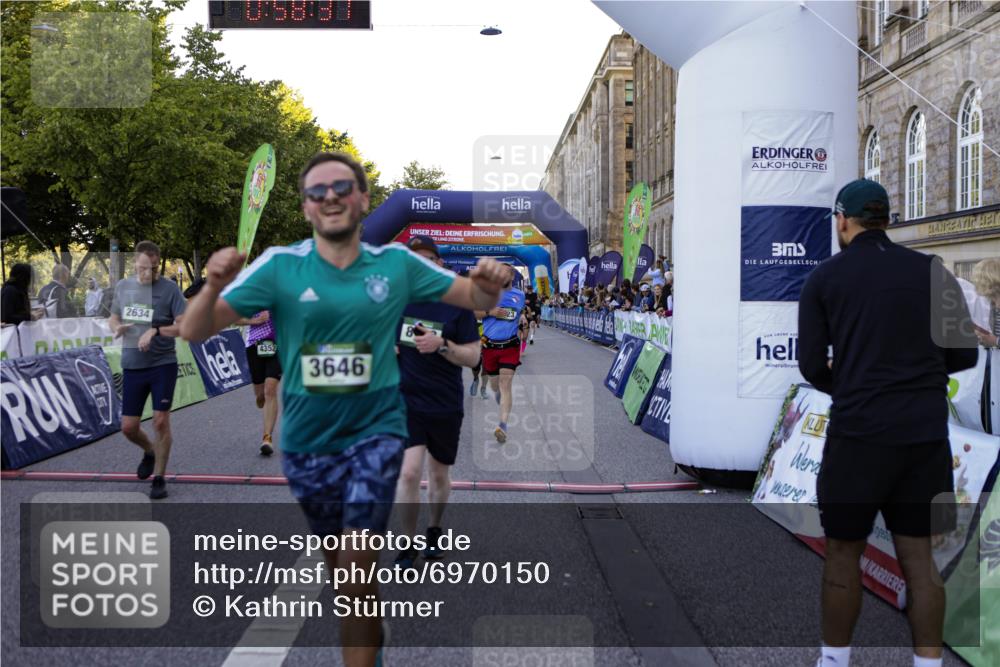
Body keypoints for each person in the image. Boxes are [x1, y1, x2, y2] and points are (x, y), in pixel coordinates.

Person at [179, 152, 507, 667]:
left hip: (377, 432)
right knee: (346, 575)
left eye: (341, 187)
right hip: (308, 445)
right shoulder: (280, 266)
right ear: (307, 207)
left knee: (355, 564)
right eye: (316, 191)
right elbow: (196, 329)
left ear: (363, 200)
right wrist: (214, 285)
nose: (329, 197)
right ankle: (371, 637)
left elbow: (474, 298)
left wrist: (490, 280)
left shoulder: (396, 265)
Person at [797, 179, 978, 667]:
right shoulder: (933, 272)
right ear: (887, 220)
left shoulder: (824, 279)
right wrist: (913, 375)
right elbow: (963, 353)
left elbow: (811, 365)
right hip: (923, 438)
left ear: (843, 220)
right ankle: (927, 664)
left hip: (858, 436)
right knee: (920, 561)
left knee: (842, 555)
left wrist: (857, 380)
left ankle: (834, 662)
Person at [393, 235, 481, 569]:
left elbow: (473, 357)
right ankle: (407, 543)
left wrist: (443, 345)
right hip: (406, 401)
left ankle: (433, 529)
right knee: (409, 472)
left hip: (444, 402)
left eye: (430, 258)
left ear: (439, 263)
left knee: (439, 474)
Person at [108, 241, 187, 500]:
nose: (147, 274)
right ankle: (151, 451)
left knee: (160, 420)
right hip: (132, 365)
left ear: (158, 265)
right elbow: (114, 316)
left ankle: (160, 478)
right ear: (135, 264)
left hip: (162, 363)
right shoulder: (123, 286)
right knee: (128, 427)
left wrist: (156, 330)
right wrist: (116, 327)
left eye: (152, 270)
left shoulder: (170, 289)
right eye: (142, 268)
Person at [477, 264, 525, 444]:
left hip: (510, 347)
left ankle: (502, 426)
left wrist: (522, 318)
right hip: (490, 347)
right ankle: (497, 394)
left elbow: (518, 314)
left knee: (506, 385)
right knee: (495, 385)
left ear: (512, 276)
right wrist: (491, 312)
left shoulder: (520, 295)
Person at [240, 310, 281, 456]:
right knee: (261, 394)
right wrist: (255, 321)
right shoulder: (251, 292)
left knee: (270, 389)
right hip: (254, 344)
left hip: (278, 343)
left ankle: (267, 438)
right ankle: (260, 396)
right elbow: (234, 318)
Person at [970, 257, 1000, 347]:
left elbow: (995, 340)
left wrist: (996, 341)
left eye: (977, 278)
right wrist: (984, 336)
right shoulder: (993, 303)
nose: (974, 282)